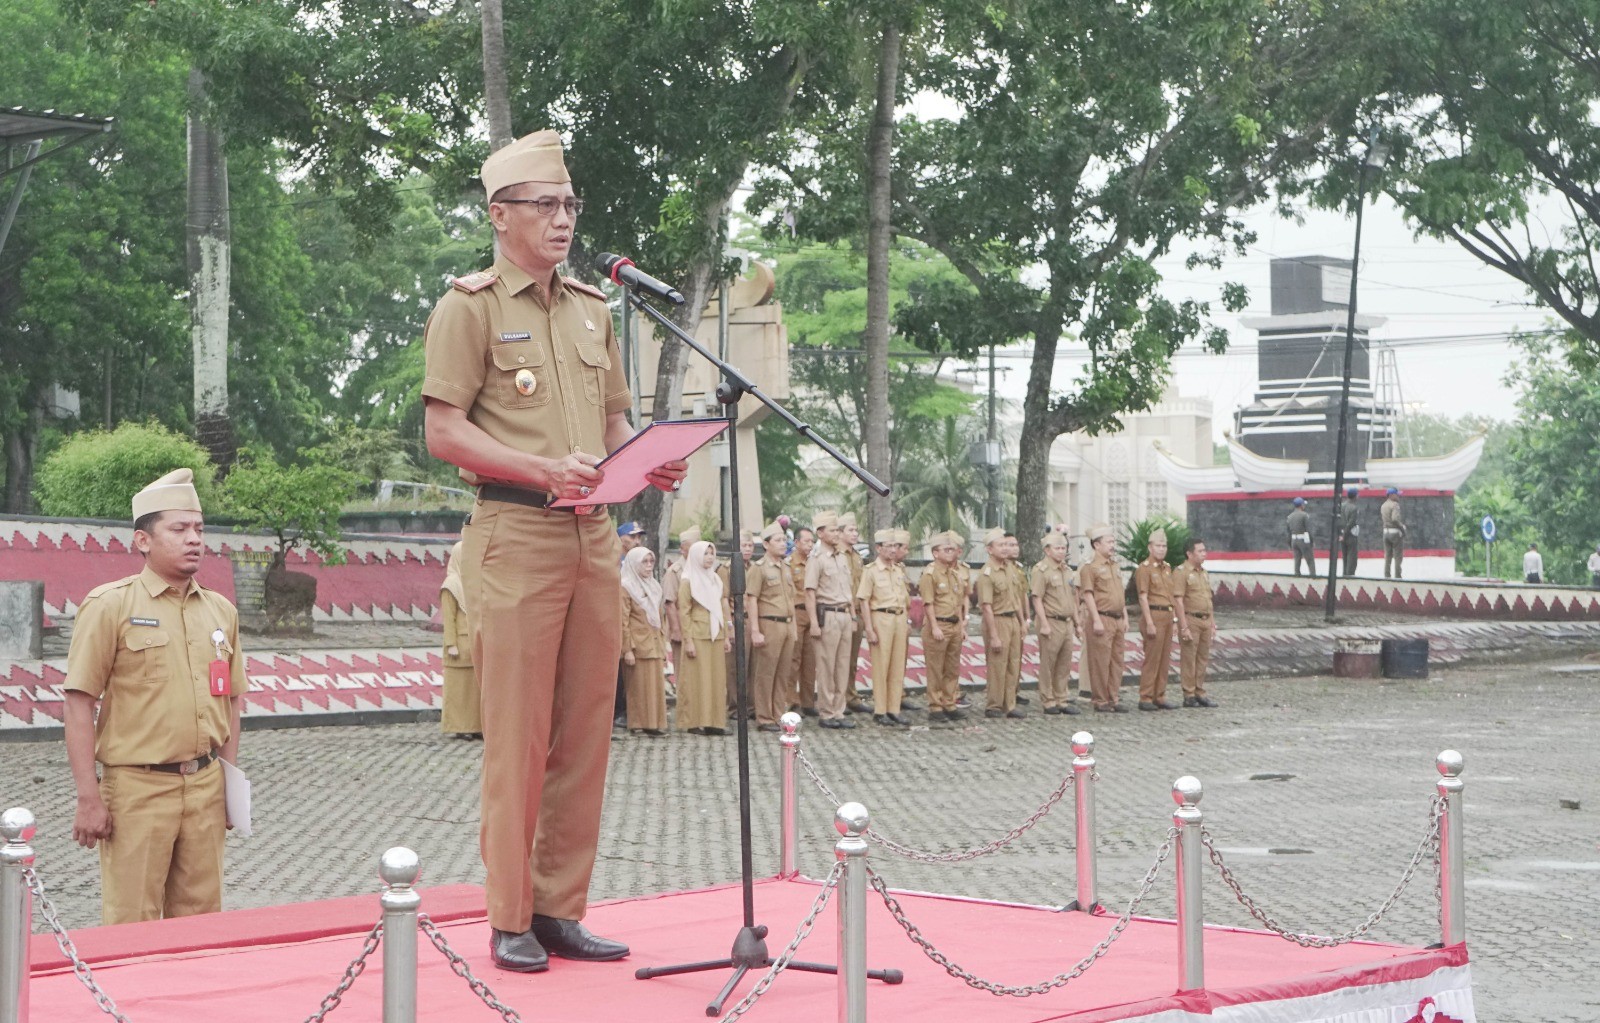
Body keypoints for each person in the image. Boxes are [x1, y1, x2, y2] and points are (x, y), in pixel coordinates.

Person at [421, 129, 688, 972]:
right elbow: (442, 428)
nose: (564, 218)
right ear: (500, 216)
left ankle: (559, 908)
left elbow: (611, 420)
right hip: (516, 534)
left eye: (570, 203)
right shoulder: (469, 307)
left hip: (594, 536)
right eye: (545, 204)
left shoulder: (590, 309)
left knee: (584, 731)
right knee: (518, 734)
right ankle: (508, 915)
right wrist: (540, 467)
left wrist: (647, 455)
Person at [63, 468, 246, 925]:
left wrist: (229, 784)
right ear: (143, 540)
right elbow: (78, 703)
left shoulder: (221, 611)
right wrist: (89, 795)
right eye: (179, 529)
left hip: (205, 787)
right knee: (132, 924)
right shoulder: (111, 606)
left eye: (199, 529)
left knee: (201, 924)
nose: (194, 539)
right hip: (137, 791)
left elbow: (233, 702)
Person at [805, 511, 858, 730]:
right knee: (826, 665)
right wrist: (814, 624)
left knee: (842, 665)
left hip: (845, 614)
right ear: (820, 532)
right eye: (833, 530)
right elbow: (810, 592)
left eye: (838, 529)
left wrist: (853, 616)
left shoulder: (842, 557)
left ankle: (839, 710)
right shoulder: (816, 559)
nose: (837, 534)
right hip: (827, 615)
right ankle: (826, 712)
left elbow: (849, 589)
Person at [746, 521, 798, 733]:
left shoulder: (786, 567)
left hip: (786, 624)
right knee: (765, 674)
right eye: (778, 540)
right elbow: (751, 600)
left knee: (782, 673)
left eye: (784, 540)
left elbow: (791, 599)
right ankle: (764, 717)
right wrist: (755, 630)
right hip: (769, 624)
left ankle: (779, 715)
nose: (782, 544)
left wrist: (793, 629)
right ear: (766, 545)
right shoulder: (759, 569)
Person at [677, 540, 732, 733]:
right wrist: (688, 640)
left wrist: (726, 636)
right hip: (698, 634)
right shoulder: (688, 580)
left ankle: (715, 722)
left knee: (716, 679)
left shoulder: (715, 580)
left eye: (711, 553)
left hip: (715, 633)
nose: (709, 558)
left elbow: (721, 608)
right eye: (705, 554)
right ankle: (694, 721)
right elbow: (684, 612)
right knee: (697, 679)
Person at [858, 528, 911, 726]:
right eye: (888, 546)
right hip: (881, 617)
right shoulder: (871, 570)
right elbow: (864, 600)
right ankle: (880, 710)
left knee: (897, 666)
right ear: (878, 548)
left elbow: (904, 599)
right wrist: (869, 629)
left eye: (895, 546)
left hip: (898, 617)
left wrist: (906, 622)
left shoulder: (898, 570)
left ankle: (894, 709)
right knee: (881, 666)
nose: (892, 550)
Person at [919, 531, 970, 724]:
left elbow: (957, 602)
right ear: (935, 553)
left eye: (952, 549)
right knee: (935, 668)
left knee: (952, 668)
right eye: (946, 550)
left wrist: (961, 626)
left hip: (954, 625)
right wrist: (934, 626)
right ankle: (935, 705)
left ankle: (950, 703)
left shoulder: (955, 575)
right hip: (938, 624)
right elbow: (928, 603)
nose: (951, 553)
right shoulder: (929, 574)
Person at [1078, 523, 1129, 713]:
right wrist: (1096, 619)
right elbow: (1088, 594)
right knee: (1100, 660)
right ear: (1096, 545)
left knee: (1117, 660)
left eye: (1113, 541)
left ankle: (1113, 697)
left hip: (1116, 618)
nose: (1112, 545)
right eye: (1108, 542)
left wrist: (1124, 616)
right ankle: (1100, 699)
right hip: (1101, 617)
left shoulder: (1114, 566)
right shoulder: (1089, 568)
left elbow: (1119, 593)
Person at [978, 528, 1028, 719]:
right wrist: (993, 635)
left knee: (1013, 664)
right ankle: (994, 704)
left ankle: (1010, 704)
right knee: (997, 664)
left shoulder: (1011, 569)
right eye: (1001, 545)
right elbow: (987, 607)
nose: (1006, 549)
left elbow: (1016, 598)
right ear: (990, 549)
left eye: (1007, 544)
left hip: (1013, 619)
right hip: (997, 620)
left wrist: (1022, 622)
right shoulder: (987, 573)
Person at [619, 547, 668, 737]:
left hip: (654, 642)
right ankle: (638, 723)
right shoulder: (626, 586)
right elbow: (623, 619)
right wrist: (627, 649)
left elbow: (660, 616)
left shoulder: (653, 585)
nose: (648, 566)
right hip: (638, 643)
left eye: (651, 562)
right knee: (638, 686)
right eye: (644, 562)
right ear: (633, 563)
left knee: (654, 685)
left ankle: (654, 723)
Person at [1031, 532, 1081, 716]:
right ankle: (1048, 699)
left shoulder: (1067, 570)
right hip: (1051, 621)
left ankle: (1062, 698)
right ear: (1047, 550)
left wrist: (1077, 623)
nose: (1061, 551)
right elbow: (1037, 598)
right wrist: (1043, 623)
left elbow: (1072, 598)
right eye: (1057, 548)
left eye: (1064, 548)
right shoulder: (1041, 570)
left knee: (1064, 663)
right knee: (1048, 662)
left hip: (1067, 621)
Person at [440, 540, 482, 737]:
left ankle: (475, 727)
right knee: (458, 693)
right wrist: (451, 644)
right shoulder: (450, 585)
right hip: (459, 647)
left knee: (475, 692)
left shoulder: (475, 581)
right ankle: (459, 728)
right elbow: (448, 618)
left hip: (475, 646)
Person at [1171, 537, 1219, 708]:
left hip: (1205, 619)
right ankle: (1189, 693)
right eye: (1200, 551)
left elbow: (1208, 599)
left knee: (1202, 658)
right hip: (1191, 619)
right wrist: (1182, 625)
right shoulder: (1181, 572)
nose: (1204, 554)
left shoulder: (1204, 573)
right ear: (1189, 553)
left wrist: (1212, 623)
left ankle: (1200, 691)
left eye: (1204, 550)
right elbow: (1178, 600)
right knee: (1189, 658)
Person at [1133, 529, 1178, 711]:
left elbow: (1171, 596)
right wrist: (1149, 622)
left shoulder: (1167, 568)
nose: (1161, 549)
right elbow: (1143, 597)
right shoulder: (1144, 569)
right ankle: (1146, 696)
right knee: (1152, 658)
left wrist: (1174, 620)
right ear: (1150, 548)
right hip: (1153, 614)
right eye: (1158, 546)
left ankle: (1160, 695)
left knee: (1164, 658)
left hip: (1167, 615)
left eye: (1164, 546)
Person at [837, 512, 871, 712]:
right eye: (851, 530)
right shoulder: (838, 555)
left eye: (856, 530)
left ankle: (851, 695)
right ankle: (840, 697)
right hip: (842, 611)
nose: (855, 533)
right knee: (840, 659)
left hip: (858, 610)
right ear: (840, 533)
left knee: (852, 658)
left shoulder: (857, 556)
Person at [662, 526, 702, 681]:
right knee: (684, 673)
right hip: (681, 627)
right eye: (692, 547)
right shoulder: (675, 571)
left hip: (699, 628)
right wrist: (676, 630)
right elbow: (670, 603)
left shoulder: (702, 569)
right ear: (682, 549)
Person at [787, 526, 818, 715]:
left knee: (810, 661)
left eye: (812, 541)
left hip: (812, 613)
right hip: (796, 612)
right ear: (797, 543)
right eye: (806, 541)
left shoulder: (815, 563)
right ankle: (791, 701)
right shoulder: (789, 564)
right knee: (793, 659)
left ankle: (808, 702)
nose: (810, 545)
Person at [1381, 488, 1406, 579]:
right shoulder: (1395, 505)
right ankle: (1397, 576)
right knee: (1398, 556)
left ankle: (1387, 575)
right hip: (1394, 533)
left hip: (1385, 532)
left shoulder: (1383, 505)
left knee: (1387, 555)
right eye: (1397, 494)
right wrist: (1402, 528)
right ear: (1391, 495)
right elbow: (1395, 519)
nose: (1398, 496)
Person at [1286, 497, 1315, 576]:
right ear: (1301, 505)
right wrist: (1311, 542)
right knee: (1310, 560)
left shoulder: (1290, 516)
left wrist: (1289, 544)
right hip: (1303, 540)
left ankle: (1297, 575)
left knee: (1297, 560)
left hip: (1294, 540)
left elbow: (1288, 532)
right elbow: (1308, 530)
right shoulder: (1304, 515)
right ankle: (1313, 576)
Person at [1339, 487, 1360, 577]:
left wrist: (1340, 534)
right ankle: (1349, 575)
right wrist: (1344, 535)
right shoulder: (1354, 508)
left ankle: (1344, 574)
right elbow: (1351, 523)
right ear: (1355, 496)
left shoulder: (1341, 506)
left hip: (1342, 533)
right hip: (1350, 534)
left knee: (1345, 556)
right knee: (1352, 557)